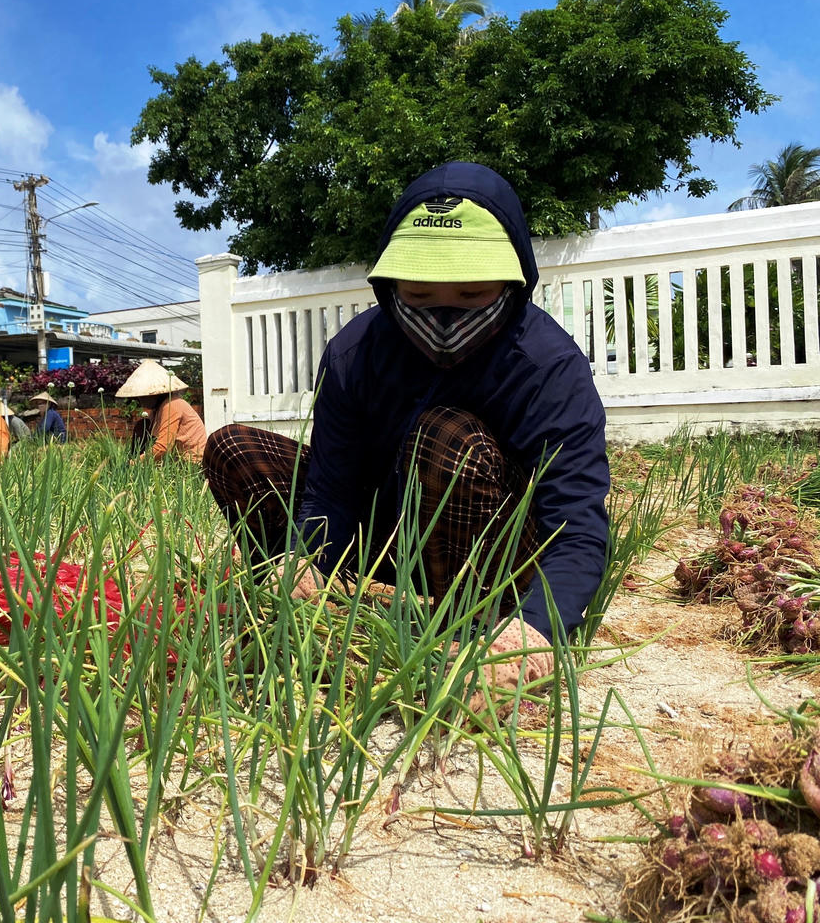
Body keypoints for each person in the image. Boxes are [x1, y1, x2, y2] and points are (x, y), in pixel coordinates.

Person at [203, 161, 609, 689]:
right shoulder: (355, 354)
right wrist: (305, 558)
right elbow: (331, 489)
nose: (443, 315)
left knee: (446, 436)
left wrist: (537, 626)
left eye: (470, 296)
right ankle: (313, 605)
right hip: (386, 526)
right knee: (234, 448)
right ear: (390, 287)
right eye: (418, 297)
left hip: (489, 536)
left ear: (513, 284)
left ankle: (473, 627)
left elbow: (574, 519)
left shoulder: (546, 364)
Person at [116, 359, 207, 463]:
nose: (139, 399)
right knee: (142, 425)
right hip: (175, 461)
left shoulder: (172, 405)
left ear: (154, 394)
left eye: (142, 396)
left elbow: (163, 448)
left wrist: (134, 463)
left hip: (192, 462)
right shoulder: (157, 409)